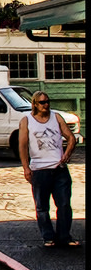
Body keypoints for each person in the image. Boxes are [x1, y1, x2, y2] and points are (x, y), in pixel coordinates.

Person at [19, 90, 79, 248]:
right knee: (42, 206)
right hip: (39, 170)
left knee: (64, 204)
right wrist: (26, 167)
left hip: (59, 169)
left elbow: (71, 138)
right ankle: (48, 236)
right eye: (42, 102)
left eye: (47, 101)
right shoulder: (26, 121)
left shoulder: (56, 117)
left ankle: (64, 236)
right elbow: (23, 145)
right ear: (35, 104)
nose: (46, 105)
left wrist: (67, 154)